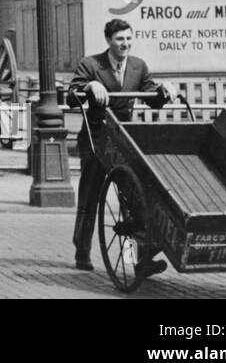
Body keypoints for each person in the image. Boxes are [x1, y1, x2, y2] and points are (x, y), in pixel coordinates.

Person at [66, 18, 174, 275]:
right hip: (96, 139)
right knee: (90, 196)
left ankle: (138, 259)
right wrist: (89, 85)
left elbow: (152, 98)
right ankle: (82, 251)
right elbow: (71, 96)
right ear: (108, 41)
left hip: (123, 143)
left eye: (128, 38)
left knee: (133, 199)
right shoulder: (91, 64)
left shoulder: (138, 66)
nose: (124, 44)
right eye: (119, 39)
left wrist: (164, 90)